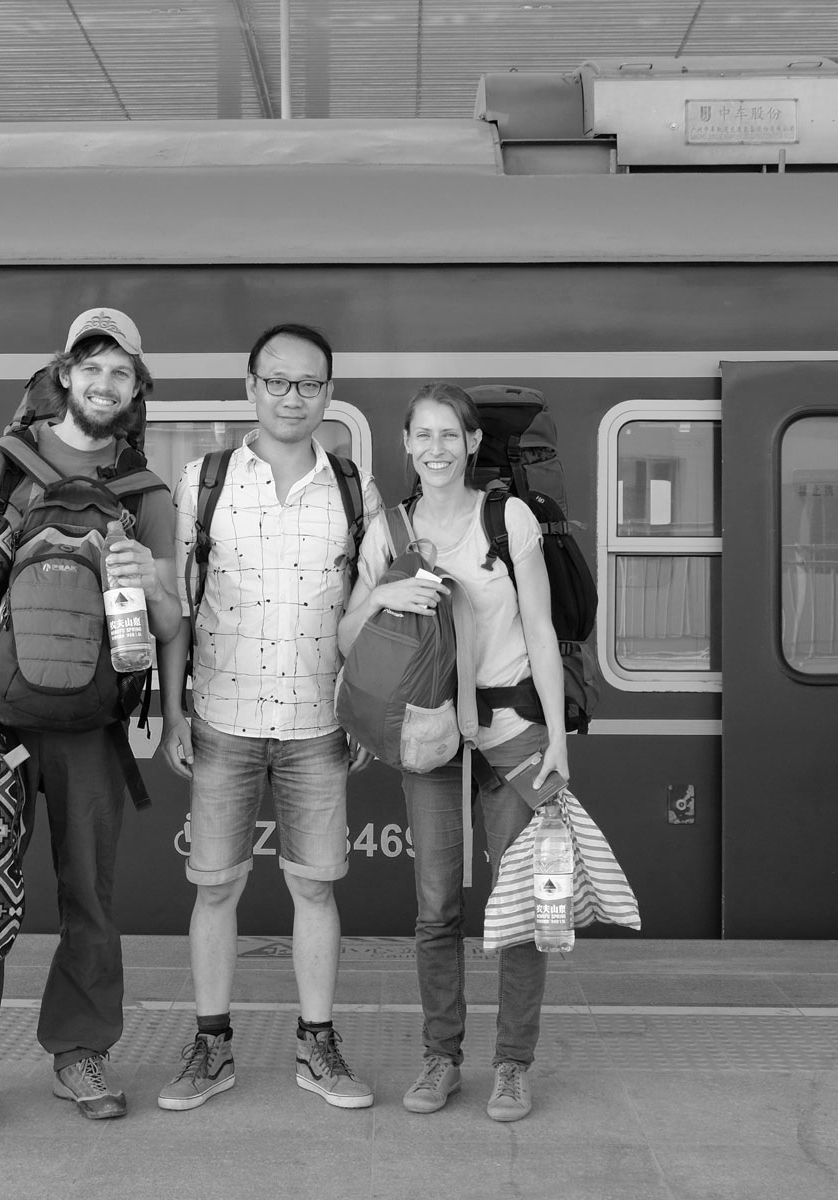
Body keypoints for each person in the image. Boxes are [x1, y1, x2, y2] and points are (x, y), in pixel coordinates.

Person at [0, 307, 182, 1130]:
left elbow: (172, 621)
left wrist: (172, 716)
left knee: (90, 898)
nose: (105, 383)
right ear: (64, 373)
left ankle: (80, 1052)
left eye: (121, 372)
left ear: (136, 390)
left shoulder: (147, 493)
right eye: (91, 366)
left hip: (93, 722)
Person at [158, 323, 383, 1112]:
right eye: (278, 382)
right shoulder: (204, 481)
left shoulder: (355, 488)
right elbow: (180, 608)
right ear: (250, 387)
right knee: (215, 889)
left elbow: (371, 613)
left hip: (319, 723)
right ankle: (211, 1048)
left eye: (311, 384)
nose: (294, 397)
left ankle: (316, 1046)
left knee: (315, 891)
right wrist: (174, 708)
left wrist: (361, 709)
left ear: (330, 392)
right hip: (221, 715)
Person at [337, 381, 567, 1123]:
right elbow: (344, 638)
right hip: (430, 734)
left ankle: (512, 1066)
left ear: (472, 444)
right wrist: (378, 600)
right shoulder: (389, 531)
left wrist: (559, 737)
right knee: (436, 907)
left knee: (523, 906)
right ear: (405, 444)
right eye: (423, 436)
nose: (436, 448)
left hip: (516, 731)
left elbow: (539, 630)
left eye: (450, 435)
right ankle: (441, 1058)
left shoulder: (509, 518)